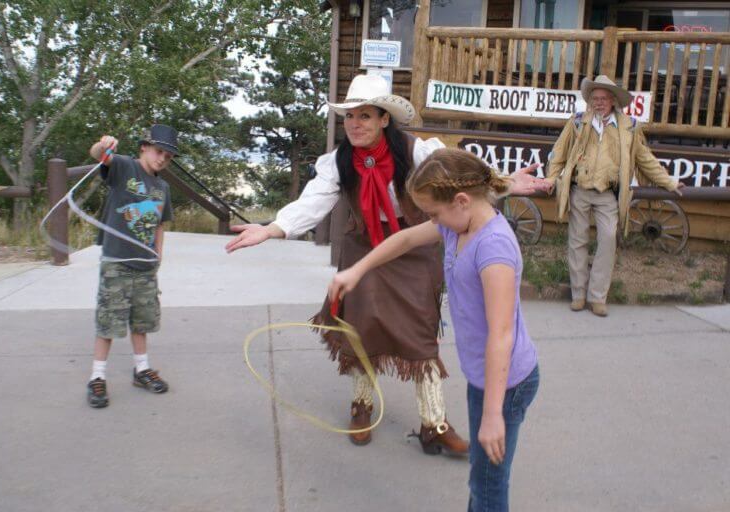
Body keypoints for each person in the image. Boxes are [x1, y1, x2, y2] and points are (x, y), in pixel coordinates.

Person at [225, 74, 546, 454]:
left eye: (365, 116)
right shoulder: (339, 162)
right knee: (361, 329)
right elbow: (312, 202)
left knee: (421, 334)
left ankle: (434, 422)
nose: (355, 124)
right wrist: (273, 228)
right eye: (349, 117)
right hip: (364, 247)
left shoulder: (415, 152)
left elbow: (459, 179)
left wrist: (505, 184)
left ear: (384, 120)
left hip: (417, 241)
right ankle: (361, 404)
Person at [328, 148, 539, 511]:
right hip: (484, 377)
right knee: (481, 475)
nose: (432, 220)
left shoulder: (494, 250)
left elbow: (501, 336)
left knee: (488, 484)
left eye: (434, 213)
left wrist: (492, 415)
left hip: (507, 384)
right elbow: (406, 239)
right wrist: (356, 271)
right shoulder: (460, 221)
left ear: (460, 200)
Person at [545, 75, 684, 317]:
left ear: (612, 100)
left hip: (608, 193)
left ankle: (597, 297)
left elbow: (645, 159)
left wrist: (668, 182)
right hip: (580, 189)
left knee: (608, 239)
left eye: (603, 98)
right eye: (594, 98)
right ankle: (578, 294)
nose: (598, 102)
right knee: (577, 240)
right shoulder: (578, 122)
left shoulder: (629, 127)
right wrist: (551, 178)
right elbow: (559, 151)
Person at [86, 124, 176, 408]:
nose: (162, 158)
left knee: (142, 321)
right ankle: (97, 377)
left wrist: (158, 255)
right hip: (117, 263)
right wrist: (104, 144)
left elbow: (161, 223)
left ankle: (141, 370)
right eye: (158, 151)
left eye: (168, 156)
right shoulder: (125, 168)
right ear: (144, 147)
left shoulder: (163, 187)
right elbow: (99, 155)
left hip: (145, 265)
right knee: (109, 323)